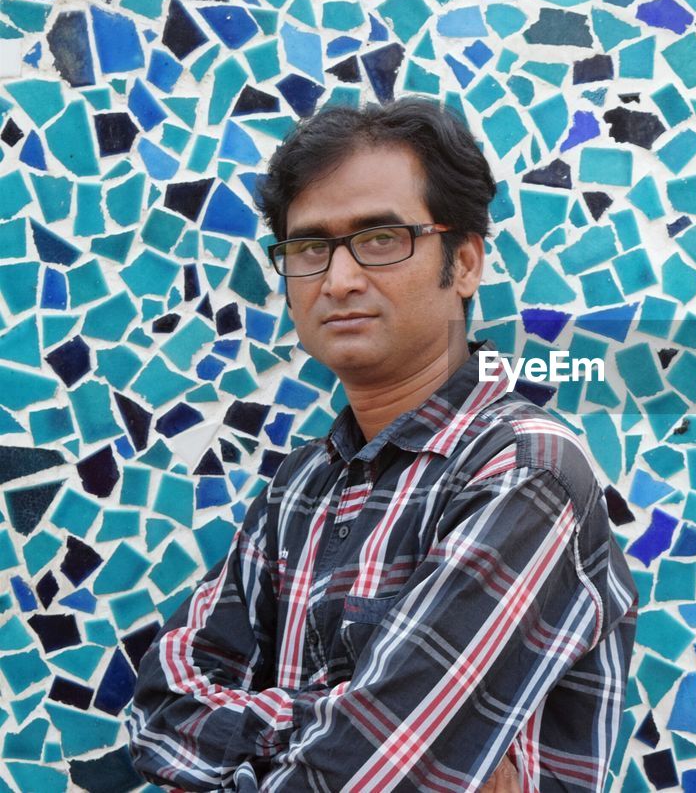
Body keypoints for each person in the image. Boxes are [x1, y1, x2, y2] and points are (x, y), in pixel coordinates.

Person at [127, 98, 638, 792]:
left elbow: (373, 774)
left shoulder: (524, 472)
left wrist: (315, 736)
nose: (337, 280)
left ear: (464, 261)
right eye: (309, 247)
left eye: (380, 238)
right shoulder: (303, 484)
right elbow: (161, 706)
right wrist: (337, 718)